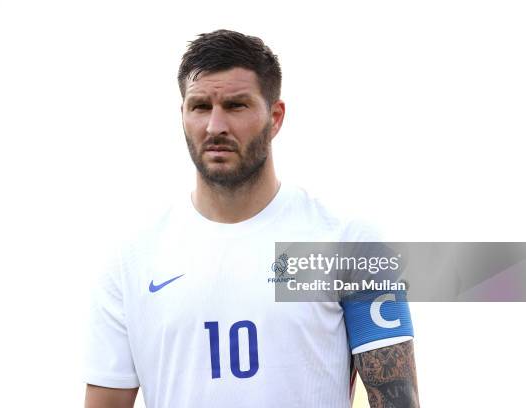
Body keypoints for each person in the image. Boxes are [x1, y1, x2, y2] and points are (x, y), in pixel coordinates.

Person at [84, 29, 420, 408]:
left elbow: (398, 401)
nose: (215, 126)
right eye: (199, 107)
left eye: (236, 105)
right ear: (182, 115)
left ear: (275, 117)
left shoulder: (347, 241)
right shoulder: (132, 261)